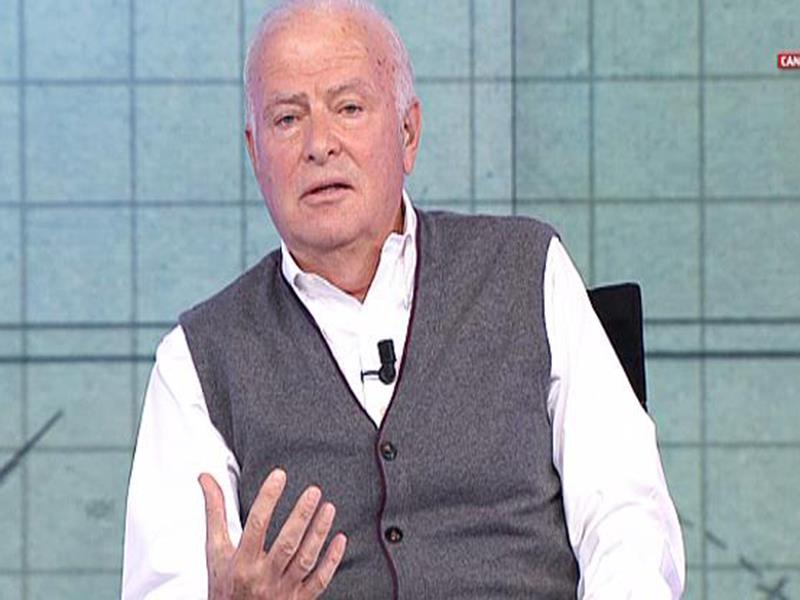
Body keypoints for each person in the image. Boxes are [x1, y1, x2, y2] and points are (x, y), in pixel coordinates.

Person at [122, 0, 685, 598]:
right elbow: (167, 585)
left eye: (349, 108)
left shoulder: (529, 268)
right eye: (287, 119)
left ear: (408, 133)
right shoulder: (197, 359)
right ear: (255, 153)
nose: (320, 144)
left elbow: (627, 521)